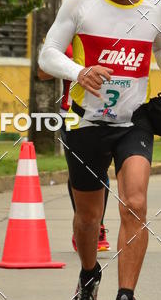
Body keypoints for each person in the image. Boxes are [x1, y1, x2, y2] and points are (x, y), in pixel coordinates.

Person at [38, 0, 161, 300]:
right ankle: (88, 277)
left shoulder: (157, 9)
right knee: (87, 219)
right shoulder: (80, 3)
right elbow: (47, 53)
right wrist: (78, 72)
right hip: (86, 121)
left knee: (135, 202)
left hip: (134, 120)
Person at [37, 43, 110, 252]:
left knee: (100, 169)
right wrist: (71, 68)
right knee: (79, 171)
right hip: (72, 113)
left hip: (105, 113)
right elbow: (42, 72)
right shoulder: (68, 40)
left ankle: (98, 226)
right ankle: (85, 223)